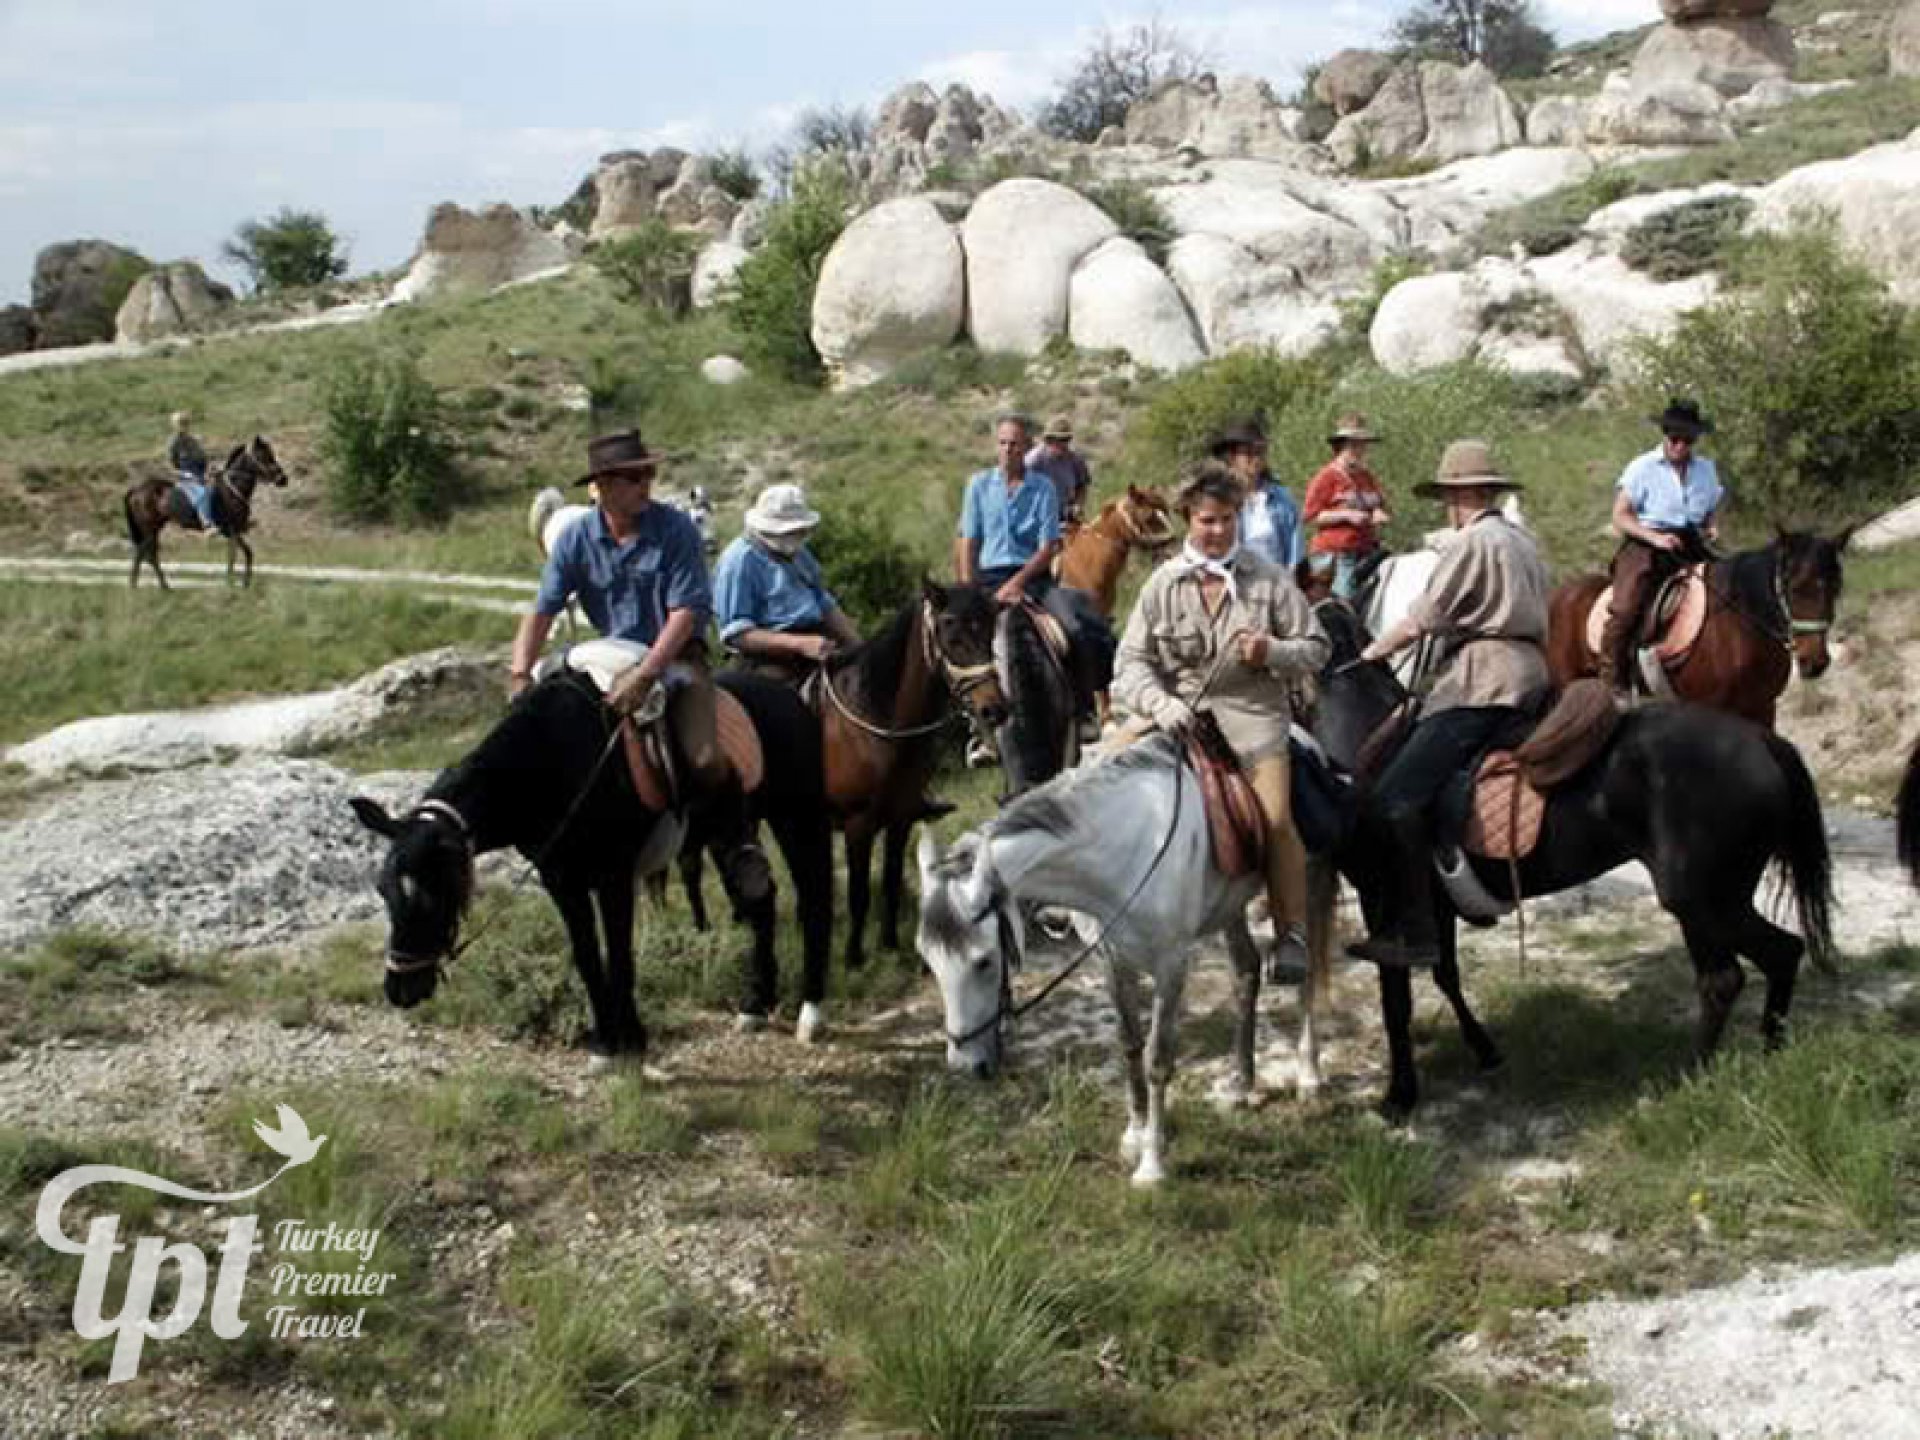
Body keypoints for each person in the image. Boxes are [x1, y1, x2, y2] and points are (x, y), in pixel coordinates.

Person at [1114, 460, 1330, 973]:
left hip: (1253, 718)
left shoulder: (1269, 579)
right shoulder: (1163, 584)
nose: (1217, 531)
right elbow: (1129, 663)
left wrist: (1272, 652)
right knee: (1099, 767)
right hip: (1178, 715)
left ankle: (1292, 933)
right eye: (1208, 521)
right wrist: (1159, 703)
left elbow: (1317, 648)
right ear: (1189, 518)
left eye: (1228, 520)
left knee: (1276, 819)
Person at [1346, 440, 1552, 968]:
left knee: (1394, 797)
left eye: (1449, 497)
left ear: (1462, 494)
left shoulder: (1472, 543)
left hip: (1486, 680)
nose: (1449, 507)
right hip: (1533, 672)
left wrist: (1371, 652)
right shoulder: (1523, 541)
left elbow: (1425, 617)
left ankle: (1419, 932)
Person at [955, 412, 1115, 744]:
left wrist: (1017, 583)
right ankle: (974, 728)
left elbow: (1049, 547)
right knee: (956, 640)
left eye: (1015, 444)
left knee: (1072, 625)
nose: (1008, 450)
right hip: (987, 578)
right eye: (1002, 443)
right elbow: (968, 539)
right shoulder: (978, 485)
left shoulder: (1042, 488)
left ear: (1027, 447)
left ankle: (1085, 710)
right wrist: (968, 587)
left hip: (1033, 577)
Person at [1599, 398, 1723, 697]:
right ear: (1665, 434)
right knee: (1627, 608)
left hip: (1691, 542)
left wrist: (1711, 526)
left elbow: (1710, 510)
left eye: (1688, 439)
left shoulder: (1706, 470)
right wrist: (1654, 538)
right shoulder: (1642, 467)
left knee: (1727, 590)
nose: (1680, 444)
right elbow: (1620, 515)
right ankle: (1612, 678)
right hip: (1646, 543)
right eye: (1675, 437)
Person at [713, 483, 861, 683]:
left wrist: (857, 646)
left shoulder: (799, 554)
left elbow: (823, 603)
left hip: (818, 644)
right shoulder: (739, 561)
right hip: (766, 660)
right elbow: (737, 634)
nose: (798, 536)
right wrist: (799, 644)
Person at [1302, 413, 1390, 600]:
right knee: (1345, 601)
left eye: (1362, 445)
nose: (1360, 450)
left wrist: (1378, 513)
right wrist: (1346, 515)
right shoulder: (1326, 477)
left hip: (1365, 550)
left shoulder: (1366, 477)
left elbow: (1378, 504)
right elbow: (1311, 516)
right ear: (1341, 446)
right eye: (1354, 445)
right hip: (1336, 554)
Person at [1210, 419, 1303, 571]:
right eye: (1248, 453)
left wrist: (1289, 580)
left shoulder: (1281, 498)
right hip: (1233, 579)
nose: (1256, 459)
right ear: (1232, 457)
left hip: (1275, 581)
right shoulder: (1220, 498)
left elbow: (1295, 548)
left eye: (1259, 452)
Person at [1025, 413, 1094, 531]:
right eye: (1059, 440)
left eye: (1066, 440)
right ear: (1048, 440)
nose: (1063, 444)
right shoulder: (1033, 461)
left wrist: (1078, 505)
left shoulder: (1075, 460)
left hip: (1066, 516)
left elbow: (1082, 485)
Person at [168, 410, 219, 532]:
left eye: (185, 423)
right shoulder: (173, 443)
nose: (184, 426)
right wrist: (187, 475)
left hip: (201, 475)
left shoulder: (193, 440)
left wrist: (210, 469)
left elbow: (203, 458)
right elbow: (170, 466)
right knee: (202, 493)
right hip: (185, 479)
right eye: (181, 423)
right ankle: (207, 524)